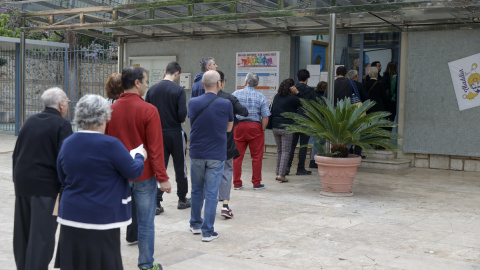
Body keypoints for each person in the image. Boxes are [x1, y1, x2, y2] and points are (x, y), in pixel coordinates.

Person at [54, 94, 146, 270]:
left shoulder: (68, 143)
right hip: (102, 217)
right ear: (103, 116)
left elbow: (62, 177)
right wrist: (139, 156)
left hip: (71, 216)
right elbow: (133, 171)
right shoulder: (111, 144)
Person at [105, 65, 170, 270]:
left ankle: (110, 263)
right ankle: (146, 264)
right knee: (145, 222)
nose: (147, 85)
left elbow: (105, 143)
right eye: (145, 81)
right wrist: (162, 177)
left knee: (112, 223)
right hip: (144, 174)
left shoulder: (110, 111)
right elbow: (155, 148)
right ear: (136, 83)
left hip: (117, 176)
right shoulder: (149, 110)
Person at [13, 87, 72, 270]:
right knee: (42, 236)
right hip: (46, 188)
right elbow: (66, 159)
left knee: (23, 234)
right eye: (67, 102)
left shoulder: (30, 121)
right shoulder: (62, 125)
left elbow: (17, 154)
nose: (67, 105)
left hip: (23, 184)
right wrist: (65, 188)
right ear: (61, 105)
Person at [188, 70, 233, 241]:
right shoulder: (226, 103)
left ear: (202, 85)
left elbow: (193, 122)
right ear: (219, 84)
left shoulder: (192, 102)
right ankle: (208, 232)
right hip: (216, 153)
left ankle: (195, 224)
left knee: (197, 190)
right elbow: (229, 128)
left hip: (197, 152)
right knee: (212, 193)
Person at [145, 61, 190, 212]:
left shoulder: (152, 90)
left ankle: (156, 202)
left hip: (157, 134)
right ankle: (182, 199)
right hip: (175, 133)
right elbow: (182, 114)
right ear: (176, 73)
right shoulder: (179, 90)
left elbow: (147, 110)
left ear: (165, 72)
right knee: (180, 166)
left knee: (159, 167)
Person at [216, 70, 248, 219]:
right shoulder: (229, 98)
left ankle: (204, 205)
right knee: (226, 171)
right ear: (221, 82)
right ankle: (225, 205)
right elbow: (244, 112)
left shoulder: (198, 99)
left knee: (205, 173)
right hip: (225, 141)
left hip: (205, 144)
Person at [232, 72, 270, 190]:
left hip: (239, 126)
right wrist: (262, 129)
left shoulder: (235, 94)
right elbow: (265, 116)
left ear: (245, 82)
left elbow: (230, 112)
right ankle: (256, 183)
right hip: (255, 127)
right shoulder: (261, 96)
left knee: (237, 157)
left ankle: (237, 183)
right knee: (257, 156)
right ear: (257, 84)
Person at [286, 69, 316, 176]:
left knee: (291, 145)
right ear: (307, 79)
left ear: (297, 78)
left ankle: (287, 167)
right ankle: (300, 168)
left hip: (293, 120)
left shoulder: (291, 90)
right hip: (306, 120)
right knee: (303, 145)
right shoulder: (311, 91)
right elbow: (314, 105)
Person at [271, 79, 301, 182]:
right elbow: (304, 104)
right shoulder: (293, 98)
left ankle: (278, 172)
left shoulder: (276, 97)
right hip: (286, 127)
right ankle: (281, 175)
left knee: (279, 150)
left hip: (275, 127)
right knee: (286, 151)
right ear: (291, 87)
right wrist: (297, 93)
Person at [346, 69, 370, 158]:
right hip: (358, 113)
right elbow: (366, 97)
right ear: (356, 76)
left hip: (347, 112)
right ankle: (357, 153)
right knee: (359, 132)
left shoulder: (344, 85)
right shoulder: (360, 85)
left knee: (348, 132)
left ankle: (348, 150)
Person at [309, 81, 327, 168]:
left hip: (314, 121)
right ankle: (315, 160)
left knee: (316, 141)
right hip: (322, 122)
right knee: (321, 141)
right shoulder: (325, 98)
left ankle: (314, 159)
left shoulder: (314, 96)